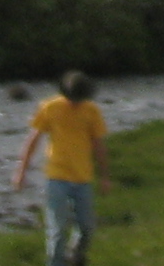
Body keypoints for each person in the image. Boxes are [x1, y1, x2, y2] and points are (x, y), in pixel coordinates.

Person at [13, 69, 111, 266]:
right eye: (72, 98)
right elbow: (33, 140)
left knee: (86, 228)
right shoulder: (49, 107)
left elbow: (98, 144)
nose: (75, 102)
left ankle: (75, 256)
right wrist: (21, 171)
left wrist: (105, 176)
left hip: (83, 178)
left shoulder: (91, 111)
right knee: (57, 230)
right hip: (56, 176)